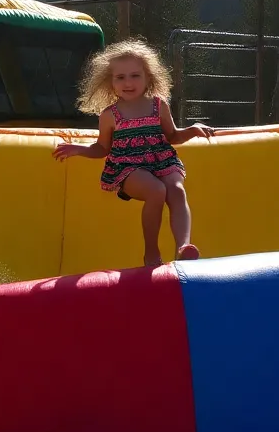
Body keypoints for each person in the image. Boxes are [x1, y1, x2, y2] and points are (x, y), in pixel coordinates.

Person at [53, 39, 213, 267]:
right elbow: (103, 148)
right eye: (120, 77)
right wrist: (79, 149)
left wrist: (192, 130)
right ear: (110, 82)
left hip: (162, 160)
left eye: (135, 75)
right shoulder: (110, 115)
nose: (128, 82)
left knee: (176, 190)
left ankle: (183, 248)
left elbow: (172, 136)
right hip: (128, 167)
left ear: (149, 77)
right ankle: (151, 252)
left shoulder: (159, 106)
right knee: (157, 190)